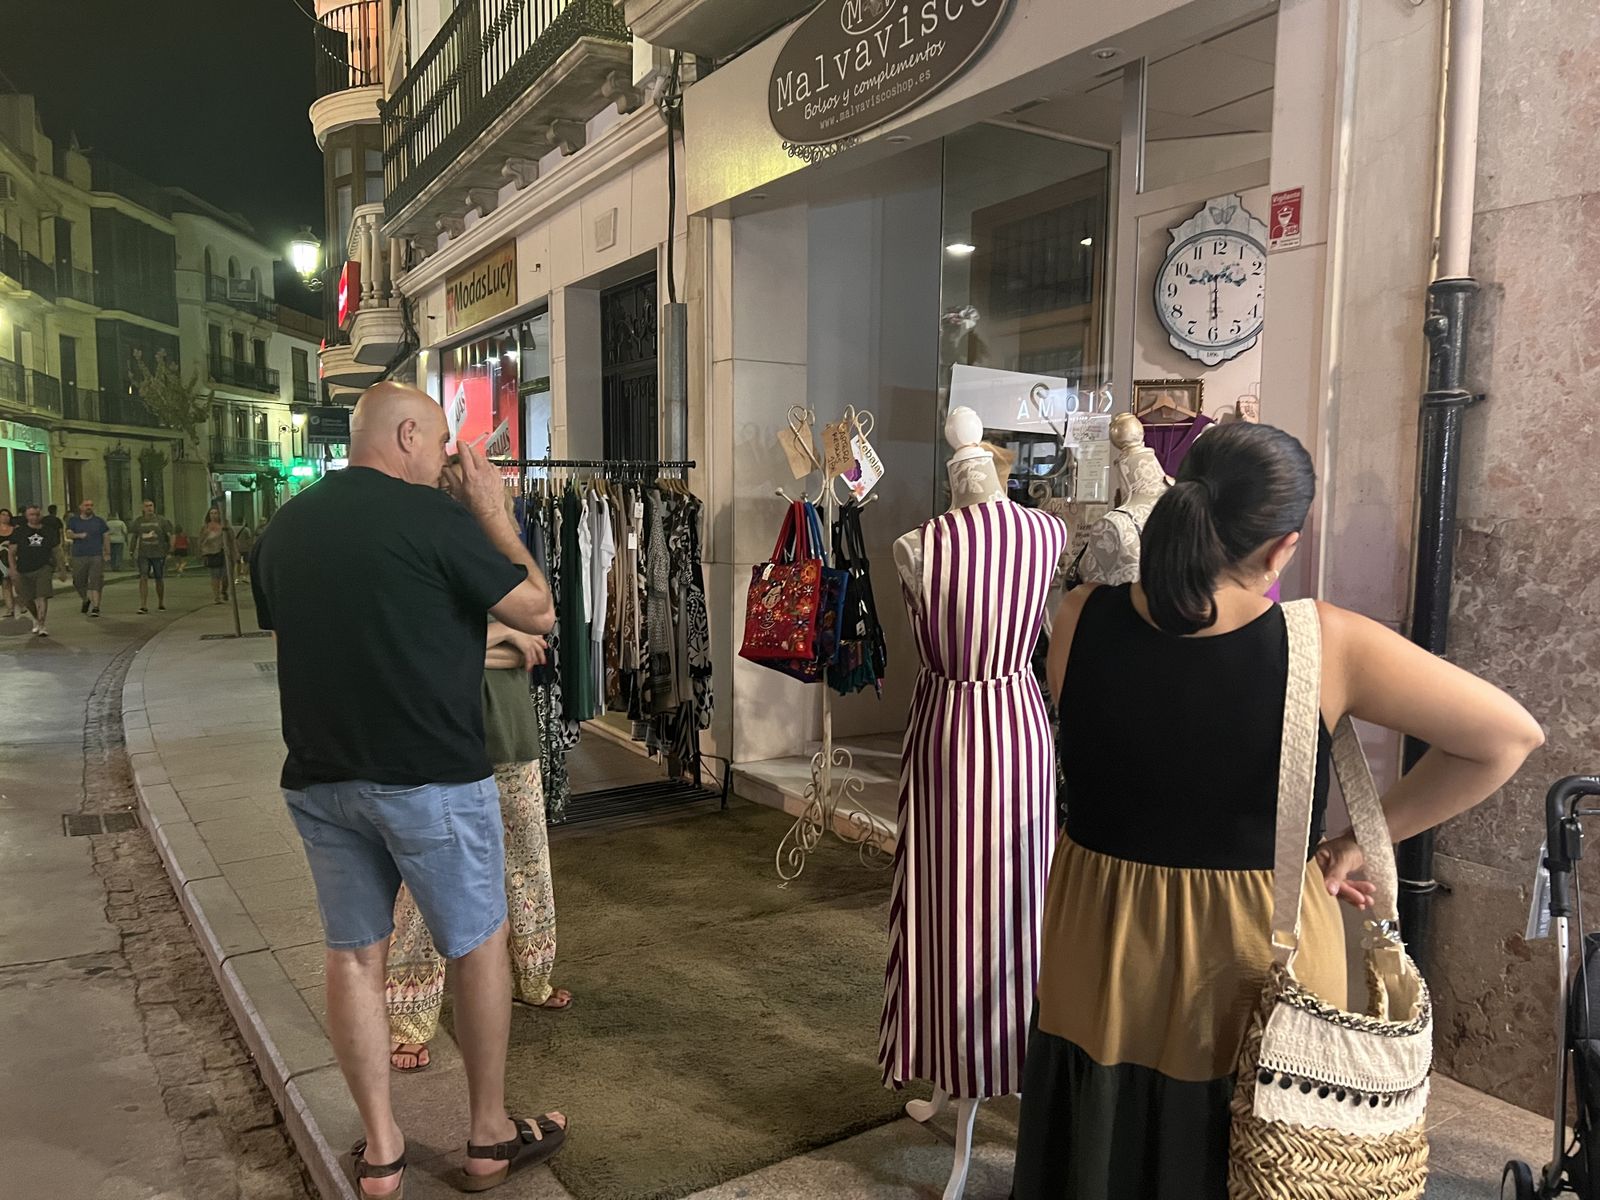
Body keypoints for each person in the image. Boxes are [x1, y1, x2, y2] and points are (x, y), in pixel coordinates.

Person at [1010, 422, 1546, 1200]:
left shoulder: (1079, 617)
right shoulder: (1323, 642)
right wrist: (1352, 845)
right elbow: (1507, 738)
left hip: (1099, 938)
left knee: (1103, 1149)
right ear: (1280, 547)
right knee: (1261, 1156)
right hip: (1255, 947)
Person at [252, 382, 562, 1198]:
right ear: (410, 434)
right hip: (430, 778)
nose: (445, 459)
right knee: (476, 943)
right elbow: (540, 610)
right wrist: (492, 509)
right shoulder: (437, 519)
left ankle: (383, 1152)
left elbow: (332, 635)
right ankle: (488, 1137)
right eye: (438, 443)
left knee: (355, 956)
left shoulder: (284, 528)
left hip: (322, 778)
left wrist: (467, 636)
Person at [387, 617, 571, 1074]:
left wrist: (469, 648)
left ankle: (533, 978)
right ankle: (409, 1018)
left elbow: (536, 649)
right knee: (425, 881)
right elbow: (413, 649)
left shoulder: (505, 567)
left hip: (510, 729)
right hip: (441, 739)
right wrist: (506, 636)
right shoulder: (421, 564)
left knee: (528, 861)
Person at [7, 505, 61, 636]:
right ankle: (37, 618)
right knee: (26, 598)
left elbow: (56, 550)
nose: (35, 517)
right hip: (24, 568)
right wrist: (13, 569)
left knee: (42, 595)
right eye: (31, 515)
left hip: (44, 567)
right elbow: (11, 552)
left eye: (37, 514)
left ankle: (42, 624)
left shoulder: (48, 531)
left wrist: (61, 568)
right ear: (26, 516)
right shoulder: (19, 532)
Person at [66, 499, 111, 618]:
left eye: (91, 505)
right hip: (79, 555)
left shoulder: (99, 521)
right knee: (78, 581)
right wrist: (78, 535)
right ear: (81, 507)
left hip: (96, 554)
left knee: (96, 580)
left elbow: (106, 536)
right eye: (86, 505)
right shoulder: (74, 521)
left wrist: (107, 552)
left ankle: (96, 607)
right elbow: (68, 534)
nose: (89, 507)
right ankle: (85, 599)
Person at [129, 499, 174, 614]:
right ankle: (143, 605)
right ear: (142, 508)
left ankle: (161, 602)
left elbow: (170, 535)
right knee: (143, 577)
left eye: (151, 506)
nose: (149, 508)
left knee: (159, 577)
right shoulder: (139, 521)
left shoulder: (161, 520)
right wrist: (131, 551)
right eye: (147, 506)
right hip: (143, 554)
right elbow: (134, 537)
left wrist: (170, 551)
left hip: (158, 553)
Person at [197, 508, 229, 604]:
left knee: (225, 576)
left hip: (223, 553)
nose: (214, 515)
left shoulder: (224, 526)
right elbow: (200, 541)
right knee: (215, 576)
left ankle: (224, 590)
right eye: (212, 513)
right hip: (211, 553)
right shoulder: (205, 527)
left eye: (216, 513)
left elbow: (231, 538)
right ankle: (217, 596)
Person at [41, 503, 67, 581]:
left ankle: (48, 573)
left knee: (47, 559)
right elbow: (61, 531)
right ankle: (62, 574)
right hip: (55, 542)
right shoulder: (57, 520)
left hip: (45, 542)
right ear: (55, 511)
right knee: (60, 559)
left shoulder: (44, 519)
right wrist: (63, 541)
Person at [0, 508, 16, 620]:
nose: (5, 517)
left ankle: (21, 603)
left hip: (14, 558)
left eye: (7, 515)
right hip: (1, 560)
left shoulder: (15, 530)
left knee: (16, 581)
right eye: (3, 515)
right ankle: (10, 608)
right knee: (5, 583)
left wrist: (9, 543)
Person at [233, 520, 255, 586]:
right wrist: (251, 547)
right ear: (243, 522)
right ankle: (244, 576)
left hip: (237, 548)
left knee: (237, 563)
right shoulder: (246, 529)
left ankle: (237, 578)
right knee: (247, 562)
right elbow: (249, 539)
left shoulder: (233, 529)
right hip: (245, 548)